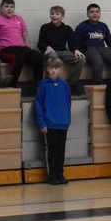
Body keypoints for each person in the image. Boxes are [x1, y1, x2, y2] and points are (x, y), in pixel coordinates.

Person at [0, 0, 44, 89]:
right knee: (19, 56)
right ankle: (12, 85)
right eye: (6, 6)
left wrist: (28, 50)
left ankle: (37, 87)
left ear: (14, 8)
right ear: (1, 8)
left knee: (39, 57)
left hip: (21, 48)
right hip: (6, 49)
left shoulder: (19, 18)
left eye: (11, 7)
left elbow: (25, 36)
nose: (9, 9)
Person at [35, 57, 72, 185]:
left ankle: (60, 173)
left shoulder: (65, 85)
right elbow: (38, 105)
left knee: (61, 150)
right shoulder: (42, 86)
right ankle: (52, 175)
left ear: (60, 70)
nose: (53, 71)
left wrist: (67, 120)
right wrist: (42, 123)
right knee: (51, 150)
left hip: (62, 123)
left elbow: (68, 103)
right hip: (49, 124)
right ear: (47, 69)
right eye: (51, 68)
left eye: (56, 68)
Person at [37, 5, 86, 94]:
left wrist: (76, 49)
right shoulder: (44, 27)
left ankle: (71, 83)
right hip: (50, 52)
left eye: (57, 14)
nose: (54, 16)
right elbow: (40, 43)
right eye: (52, 14)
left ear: (62, 17)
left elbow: (72, 44)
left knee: (81, 59)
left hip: (63, 52)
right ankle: (52, 82)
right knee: (54, 56)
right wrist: (46, 47)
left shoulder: (67, 29)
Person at [75, 3, 111, 84]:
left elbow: (110, 41)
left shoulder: (103, 26)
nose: (95, 14)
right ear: (87, 14)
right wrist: (77, 51)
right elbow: (75, 41)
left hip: (102, 49)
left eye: (97, 12)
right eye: (92, 12)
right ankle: (98, 84)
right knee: (98, 62)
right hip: (88, 49)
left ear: (100, 13)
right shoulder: (82, 26)